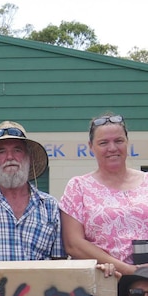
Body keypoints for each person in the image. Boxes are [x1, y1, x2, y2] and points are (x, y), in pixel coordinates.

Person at [60, 113, 148, 276]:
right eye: (103, 143)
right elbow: (73, 243)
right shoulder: (78, 187)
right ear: (91, 146)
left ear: (127, 143)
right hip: (104, 281)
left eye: (118, 141)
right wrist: (128, 270)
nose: (112, 148)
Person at [0, 121, 64, 261]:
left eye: (17, 150)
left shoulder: (50, 206)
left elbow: (60, 265)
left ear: (29, 158)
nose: (10, 157)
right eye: (1, 151)